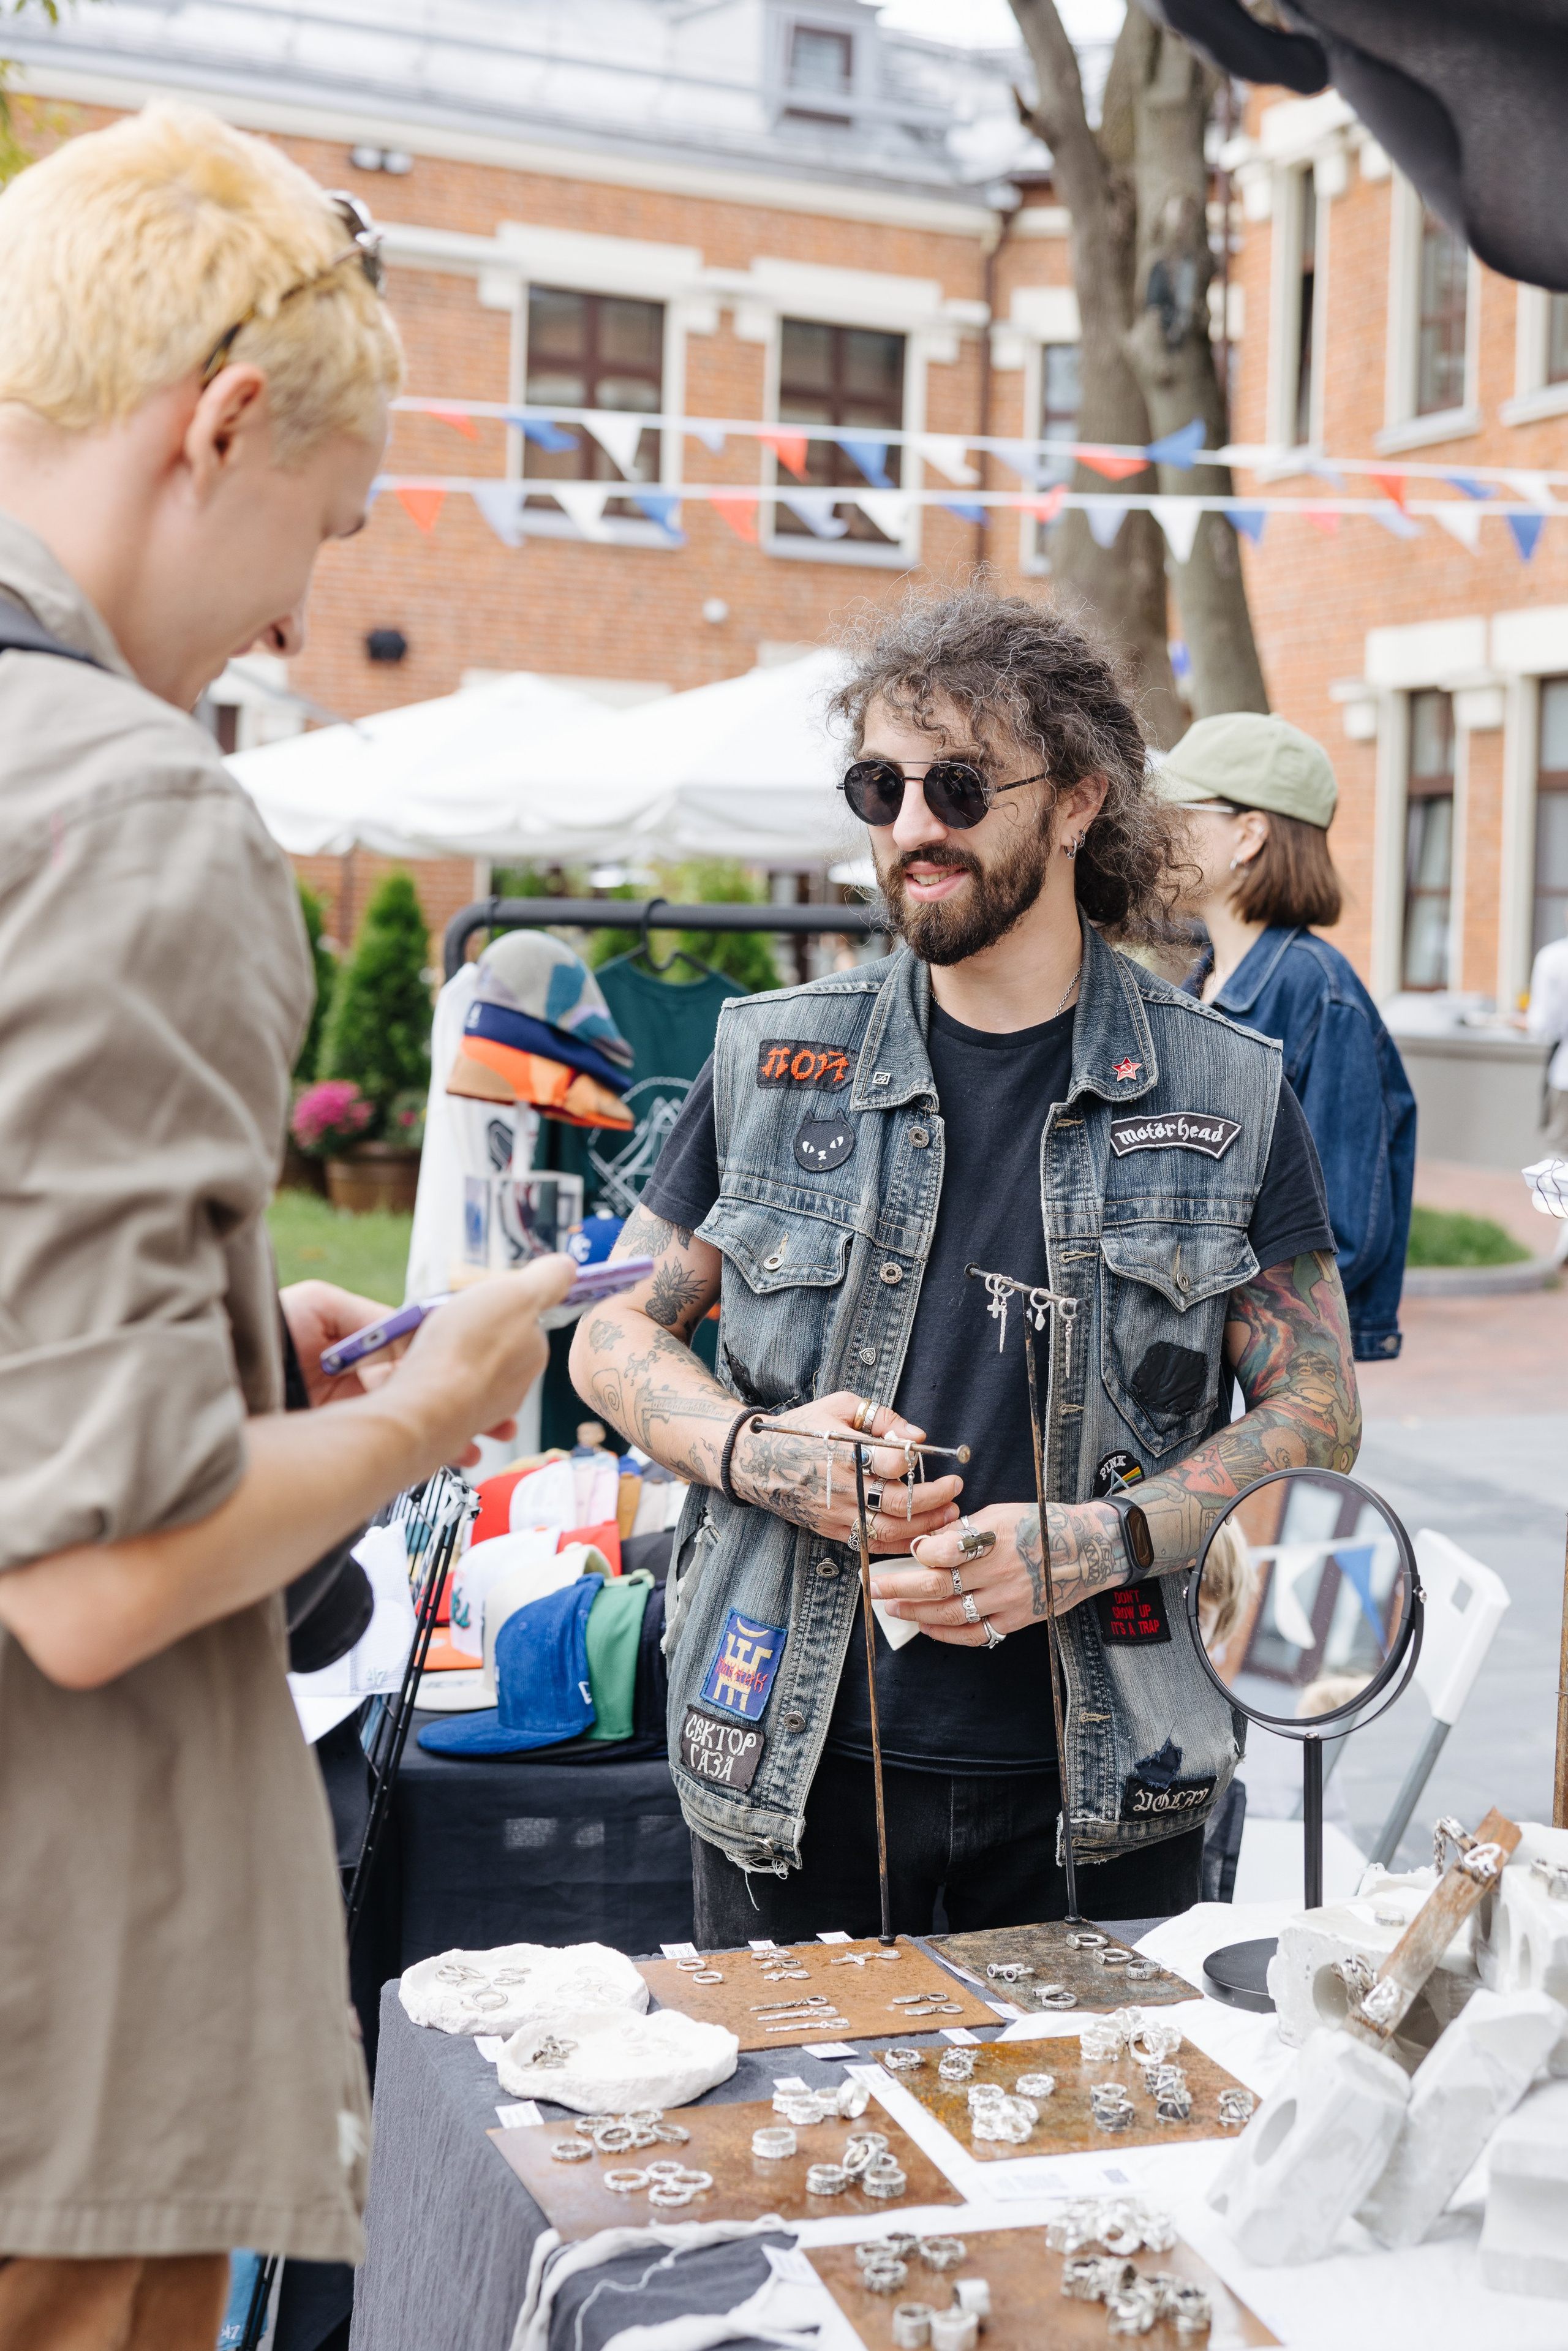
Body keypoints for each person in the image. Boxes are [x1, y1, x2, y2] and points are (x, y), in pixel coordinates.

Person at [0, 107, 570, 2350]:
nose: (294, 615)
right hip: (59, 2037)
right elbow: (100, 1572)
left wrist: (241, 1362)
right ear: (219, 420)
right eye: (317, 531)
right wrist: (430, 1409)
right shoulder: (128, 806)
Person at [570, 590, 1360, 1945]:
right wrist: (765, 1452)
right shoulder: (770, 1056)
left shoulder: (1225, 1086)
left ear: (1073, 804)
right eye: (878, 784)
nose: (910, 826)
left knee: (1078, 2158)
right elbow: (614, 1337)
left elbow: (1315, 1411)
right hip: (789, 1757)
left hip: (1104, 1785)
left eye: (955, 784)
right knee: (791, 2149)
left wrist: (1091, 1541)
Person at [1159, 711, 1417, 1364]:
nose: (1156, 834)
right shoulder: (1203, 984)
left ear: (1248, 835)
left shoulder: (1317, 992)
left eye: (1178, 814)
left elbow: (1343, 1234)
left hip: (1269, 1377)